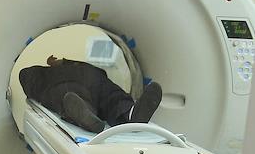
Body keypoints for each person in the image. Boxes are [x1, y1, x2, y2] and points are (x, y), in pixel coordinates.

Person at [19, 55, 163, 132]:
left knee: (66, 98)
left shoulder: (39, 75)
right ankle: (129, 114)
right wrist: (64, 62)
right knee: (112, 96)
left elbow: (25, 76)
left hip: (62, 85)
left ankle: (88, 116)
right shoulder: (75, 66)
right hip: (92, 78)